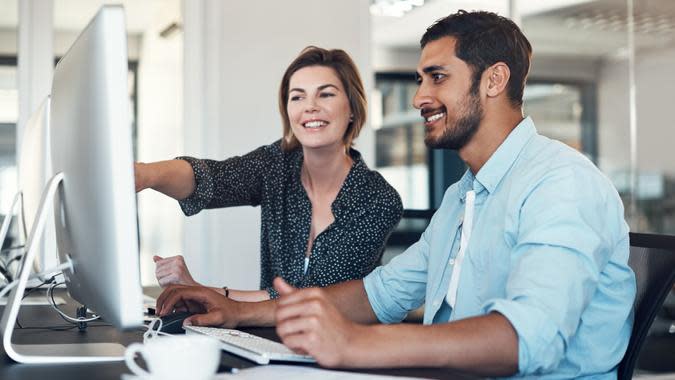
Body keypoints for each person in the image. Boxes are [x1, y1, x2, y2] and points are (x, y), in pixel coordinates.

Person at [155, 10, 636, 378]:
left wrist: (356, 345)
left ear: (494, 80)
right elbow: (377, 294)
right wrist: (239, 311)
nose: (419, 97)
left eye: (438, 77)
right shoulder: (463, 197)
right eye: (420, 78)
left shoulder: (561, 184)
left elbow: (528, 338)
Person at [137, 46, 402, 302]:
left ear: (353, 108)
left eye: (326, 94)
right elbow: (210, 179)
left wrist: (201, 291)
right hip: (267, 339)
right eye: (297, 96)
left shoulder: (378, 199)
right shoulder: (276, 165)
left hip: (342, 342)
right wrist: (146, 175)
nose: (310, 106)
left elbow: (313, 298)